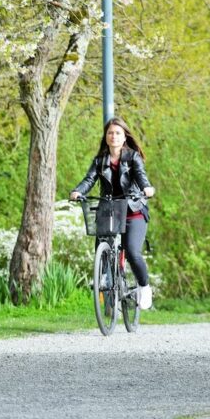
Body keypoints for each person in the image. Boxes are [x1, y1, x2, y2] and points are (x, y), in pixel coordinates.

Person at [69, 116, 156, 309]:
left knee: (132, 251)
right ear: (106, 137)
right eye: (110, 133)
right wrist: (78, 191)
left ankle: (144, 286)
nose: (113, 136)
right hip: (110, 209)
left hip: (133, 209)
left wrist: (147, 188)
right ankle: (107, 274)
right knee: (102, 244)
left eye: (117, 133)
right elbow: (89, 180)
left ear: (124, 137)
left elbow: (141, 177)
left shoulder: (132, 157)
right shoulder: (100, 161)